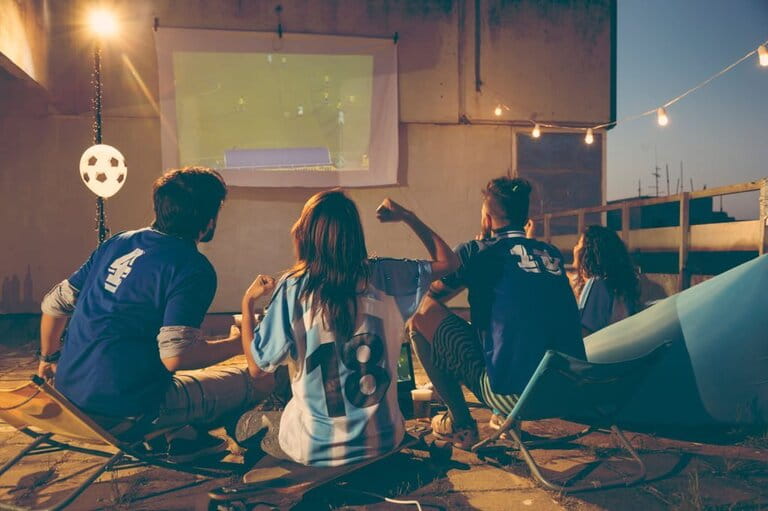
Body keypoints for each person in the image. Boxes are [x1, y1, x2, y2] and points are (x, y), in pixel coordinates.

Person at [38, 167, 266, 461]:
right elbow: (176, 357)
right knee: (255, 378)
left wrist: (48, 358)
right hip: (130, 410)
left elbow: (54, 305)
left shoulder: (118, 243)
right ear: (210, 220)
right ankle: (178, 430)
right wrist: (241, 344)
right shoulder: (192, 266)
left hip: (70, 398)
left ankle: (183, 438)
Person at [238, 190, 458, 466]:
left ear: (305, 233)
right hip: (384, 439)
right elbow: (450, 262)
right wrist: (407, 217)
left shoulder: (293, 288)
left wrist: (247, 303)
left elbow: (258, 369)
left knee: (250, 424)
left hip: (317, 449)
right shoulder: (385, 275)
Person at [407, 177, 585, 449]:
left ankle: (461, 425)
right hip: (570, 391)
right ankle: (505, 424)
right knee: (520, 329)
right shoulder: (550, 254)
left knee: (419, 316)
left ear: (487, 219)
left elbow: (429, 296)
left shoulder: (477, 252)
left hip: (518, 398)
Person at [572, 225, 640, 336]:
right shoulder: (618, 286)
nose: (574, 248)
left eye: (578, 243)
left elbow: (584, 336)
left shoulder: (597, 284)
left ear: (588, 252)